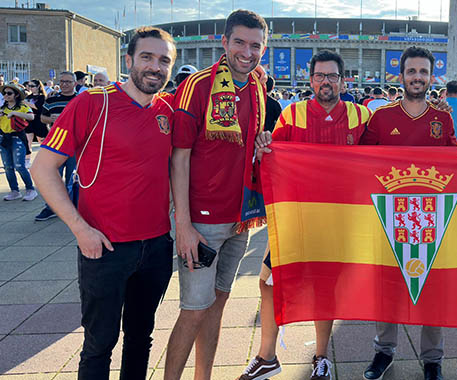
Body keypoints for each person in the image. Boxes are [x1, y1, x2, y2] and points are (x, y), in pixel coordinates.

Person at [30, 26, 177, 379]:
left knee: (141, 338)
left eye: (163, 60)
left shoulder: (170, 111)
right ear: (128, 60)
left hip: (156, 246)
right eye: (146, 57)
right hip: (105, 247)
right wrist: (80, 229)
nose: (155, 67)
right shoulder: (92, 103)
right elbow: (43, 169)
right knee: (99, 344)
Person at [247, 49, 372, 380]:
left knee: (325, 289)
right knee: (269, 282)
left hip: (339, 222)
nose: (326, 82)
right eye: (320, 76)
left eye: (332, 76)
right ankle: (267, 356)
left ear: (343, 81)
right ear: (311, 79)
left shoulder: (362, 116)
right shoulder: (292, 113)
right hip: (297, 220)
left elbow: (385, 158)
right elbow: (273, 157)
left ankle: (320, 358)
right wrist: (264, 145)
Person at [165, 9, 269, 380]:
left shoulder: (257, 85)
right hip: (202, 223)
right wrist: (183, 223)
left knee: (217, 304)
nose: (247, 51)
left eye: (255, 45)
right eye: (239, 42)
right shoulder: (197, 85)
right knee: (193, 310)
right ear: (223, 42)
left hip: (240, 220)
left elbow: (246, 141)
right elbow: (180, 157)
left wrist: (262, 142)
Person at [359, 46, 455, 380]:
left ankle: (432, 359)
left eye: (423, 72)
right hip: (389, 217)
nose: (417, 77)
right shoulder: (382, 117)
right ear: (401, 76)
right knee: (388, 288)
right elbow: (360, 164)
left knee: (432, 288)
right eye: (411, 71)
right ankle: (383, 352)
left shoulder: (442, 118)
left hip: (431, 217)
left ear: (431, 77)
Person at [35, 71, 78, 221]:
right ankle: (51, 208)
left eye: (68, 82)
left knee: (72, 179)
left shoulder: (81, 100)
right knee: (53, 178)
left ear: (75, 83)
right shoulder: (51, 99)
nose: (65, 84)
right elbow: (42, 118)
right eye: (62, 82)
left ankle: (72, 209)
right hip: (55, 144)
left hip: (74, 144)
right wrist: (51, 118)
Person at [0, 82, 37, 201]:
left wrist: (14, 113)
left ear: (16, 95)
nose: (6, 95)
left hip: (17, 138)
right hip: (4, 139)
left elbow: (31, 117)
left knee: (20, 166)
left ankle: (30, 189)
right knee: (8, 167)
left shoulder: (22, 107)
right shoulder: (2, 108)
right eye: (4, 93)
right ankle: (14, 191)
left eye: (9, 93)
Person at [24, 79, 49, 168]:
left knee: (41, 141)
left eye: (32, 86)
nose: (30, 88)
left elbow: (38, 107)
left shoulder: (42, 97)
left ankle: (45, 160)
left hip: (39, 121)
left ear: (38, 86)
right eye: (29, 86)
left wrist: (25, 102)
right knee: (28, 142)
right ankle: (27, 160)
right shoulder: (28, 97)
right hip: (29, 121)